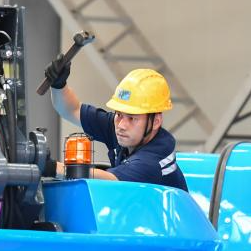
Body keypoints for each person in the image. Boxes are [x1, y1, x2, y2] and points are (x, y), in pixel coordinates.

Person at [45, 59, 188, 191]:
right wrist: (59, 85)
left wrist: (53, 168)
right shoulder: (125, 129)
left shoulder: (154, 160)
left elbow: (111, 181)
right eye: (119, 114)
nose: (121, 125)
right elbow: (72, 110)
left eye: (132, 118)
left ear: (155, 121)